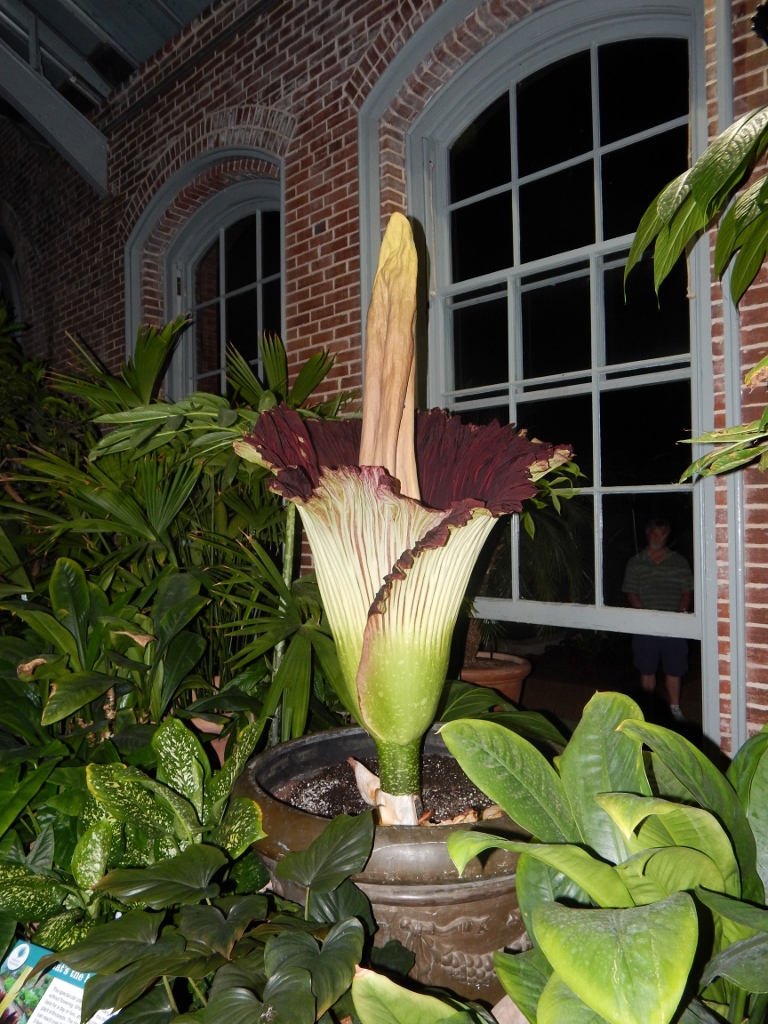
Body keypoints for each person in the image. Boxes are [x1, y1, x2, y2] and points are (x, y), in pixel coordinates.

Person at [622, 518, 693, 722]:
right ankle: (648, 708)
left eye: (661, 533)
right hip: (645, 625)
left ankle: (674, 709)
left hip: (674, 624)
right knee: (647, 668)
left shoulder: (679, 561)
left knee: (675, 668)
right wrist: (646, 616)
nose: (656, 537)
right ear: (647, 535)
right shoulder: (636, 562)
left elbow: (686, 591)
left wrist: (679, 615)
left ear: (667, 535)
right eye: (653, 533)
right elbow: (631, 592)